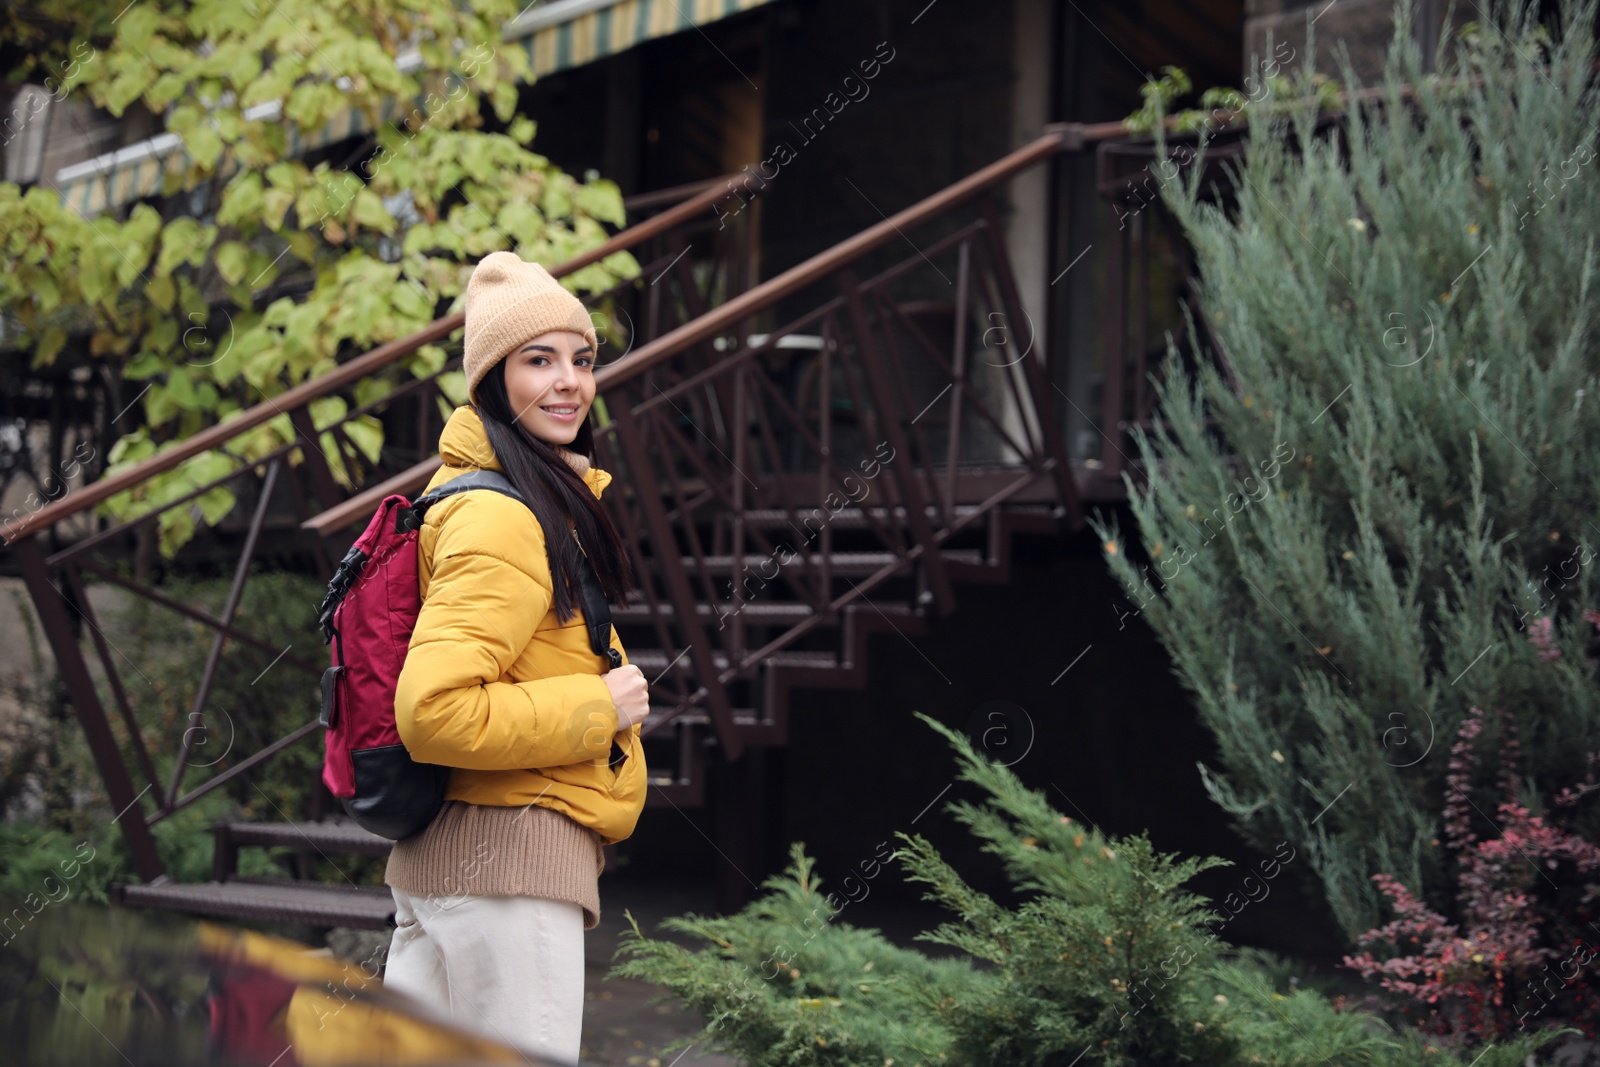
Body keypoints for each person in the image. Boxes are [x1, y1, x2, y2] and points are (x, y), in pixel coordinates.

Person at [381, 251, 652, 1064]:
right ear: (493, 381)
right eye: (539, 359)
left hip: (449, 863)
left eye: (583, 358)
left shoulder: (498, 496)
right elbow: (434, 711)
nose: (570, 380)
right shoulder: (503, 519)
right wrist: (600, 708)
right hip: (513, 868)